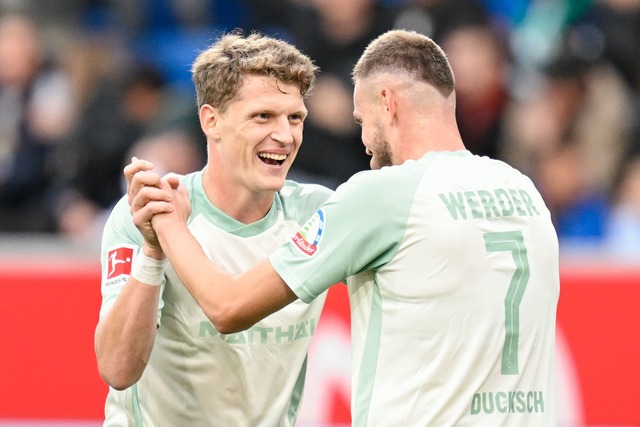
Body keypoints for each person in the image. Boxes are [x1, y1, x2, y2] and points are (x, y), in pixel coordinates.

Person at [128, 29, 560, 425]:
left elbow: (227, 307)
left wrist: (167, 223)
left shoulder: (384, 195)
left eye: (360, 120)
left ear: (388, 103)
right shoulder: (523, 192)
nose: (365, 142)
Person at [94, 32, 334, 426]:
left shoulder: (319, 213)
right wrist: (154, 252)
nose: (286, 136)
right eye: (263, 116)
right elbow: (118, 370)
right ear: (211, 120)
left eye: (295, 118)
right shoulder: (149, 210)